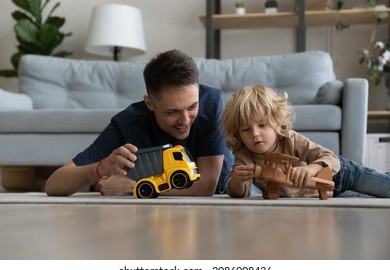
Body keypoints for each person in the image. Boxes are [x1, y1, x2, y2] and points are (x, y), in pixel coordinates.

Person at [45, 49, 233, 196]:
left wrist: (134, 187)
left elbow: (206, 186)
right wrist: (100, 168)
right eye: (172, 111)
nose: (185, 120)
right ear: (149, 103)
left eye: (192, 107)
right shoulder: (128, 123)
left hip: (226, 193)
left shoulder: (210, 104)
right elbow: (53, 185)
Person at [221, 84, 390, 198]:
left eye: (262, 125)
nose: (255, 134)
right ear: (238, 133)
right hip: (321, 193)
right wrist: (237, 180)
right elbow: (239, 193)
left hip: (341, 174)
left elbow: (331, 158)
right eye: (246, 129)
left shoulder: (291, 139)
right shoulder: (243, 155)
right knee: (366, 198)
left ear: (277, 123)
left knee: (384, 187)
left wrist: (311, 168)